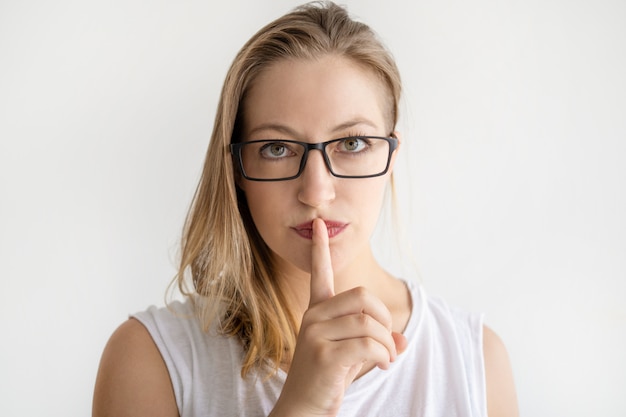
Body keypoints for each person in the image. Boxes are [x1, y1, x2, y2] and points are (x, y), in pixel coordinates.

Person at [92, 2, 518, 416]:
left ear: (390, 158)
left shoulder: (476, 362)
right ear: (236, 168)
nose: (316, 192)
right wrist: (302, 407)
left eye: (352, 143)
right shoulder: (150, 358)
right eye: (277, 148)